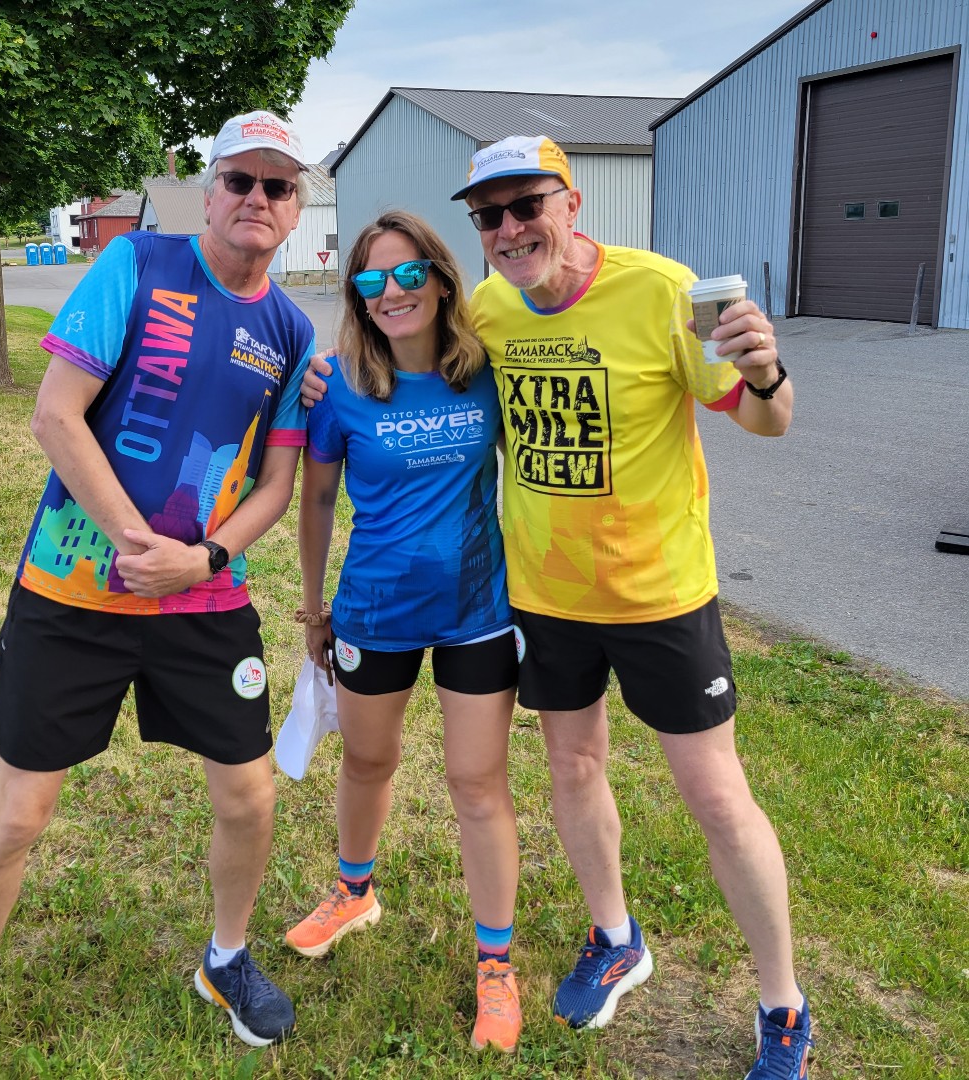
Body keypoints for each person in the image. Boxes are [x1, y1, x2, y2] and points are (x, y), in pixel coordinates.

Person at [304, 137, 809, 1079]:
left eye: (525, 206)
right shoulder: (488, 316)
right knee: (574, 769)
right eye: (487, 216)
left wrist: (769, 372)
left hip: (660, 594)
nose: (507, 229)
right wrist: (326, 375)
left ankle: (782, 1003)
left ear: (569, 203)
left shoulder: (659, 290)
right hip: (544, 598)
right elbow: (405, 367)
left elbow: (762, 418)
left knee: (715, 795)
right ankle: (615, 936)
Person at [0, 110, 315, 1080]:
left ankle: (225, 960)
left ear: (297, 209)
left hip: (205, 604)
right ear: (209, 191)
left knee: (250, 797)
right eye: (242, 182)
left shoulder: (292, 330)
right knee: (16, 815)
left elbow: (274, 486)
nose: (258, 200)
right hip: (74, 589)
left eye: (280, 187)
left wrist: (203, 561)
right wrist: (139, 544)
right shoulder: (133, 264)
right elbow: (57, 416)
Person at [285, 211, 523, 1053]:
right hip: (374, 612)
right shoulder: (339, 384)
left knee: (476, 783)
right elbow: (316, 500)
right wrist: (315, 611)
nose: (392, 293)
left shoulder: (486, 370)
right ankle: (355, 891)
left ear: (441, 275)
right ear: (356, 295)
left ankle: (496, 966)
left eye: (407, 273)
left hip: (478, 612)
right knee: (367, 759)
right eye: (371, 281)